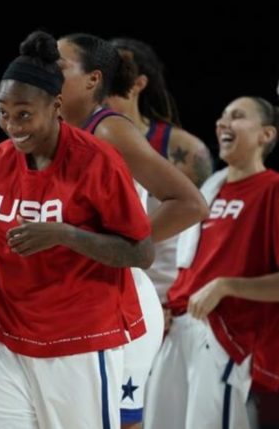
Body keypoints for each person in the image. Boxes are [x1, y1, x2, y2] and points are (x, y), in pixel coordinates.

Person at [0, 31, 154, 429]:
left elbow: (141, 252)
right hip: (7, 342)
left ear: (56, 105)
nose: (11, 125)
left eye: (24, 114)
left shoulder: (98, 160)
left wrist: (67, 235)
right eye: (3, 112)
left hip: (80, 342)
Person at [56, 32, 208, 429]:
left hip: (122, 298)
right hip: (83, 298)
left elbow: (191, 205)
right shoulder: (56, 131)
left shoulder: (107, 129)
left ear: (92, 79)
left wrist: (119, 246)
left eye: (58, 66)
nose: (47, 72)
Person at [146, 96, 279, 429]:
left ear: (266, 134)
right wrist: (169, 302)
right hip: (179, 328)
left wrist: (225, 286)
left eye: (237, 117)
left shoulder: (272, 189)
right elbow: (189, 267)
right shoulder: (208, 191)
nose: (222, 123)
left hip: (224, 336)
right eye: (221, 117)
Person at [106, 37, 213, 305]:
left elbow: (207, 230)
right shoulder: (77, 141)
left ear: (139, 83)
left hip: (164, 293)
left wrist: (182, 298)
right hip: (102, 286)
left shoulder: (184, 148)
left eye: (115, 73)